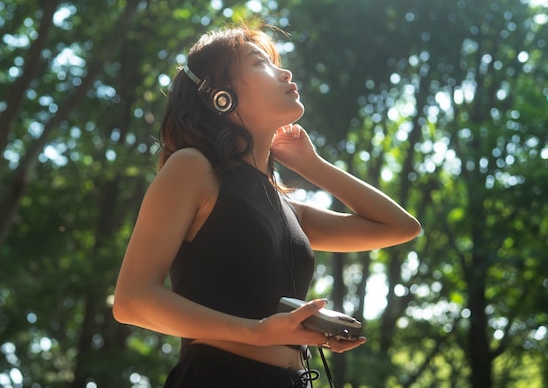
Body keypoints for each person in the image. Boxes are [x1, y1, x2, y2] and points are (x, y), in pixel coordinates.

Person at [112, 24, 421, 388]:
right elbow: (131, 301)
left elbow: (401, 227)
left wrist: (312, 165)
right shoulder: (192, 168)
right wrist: (257, 332)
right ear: (221, 97)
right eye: (261, 63)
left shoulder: (286, 207)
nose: (285, 72)